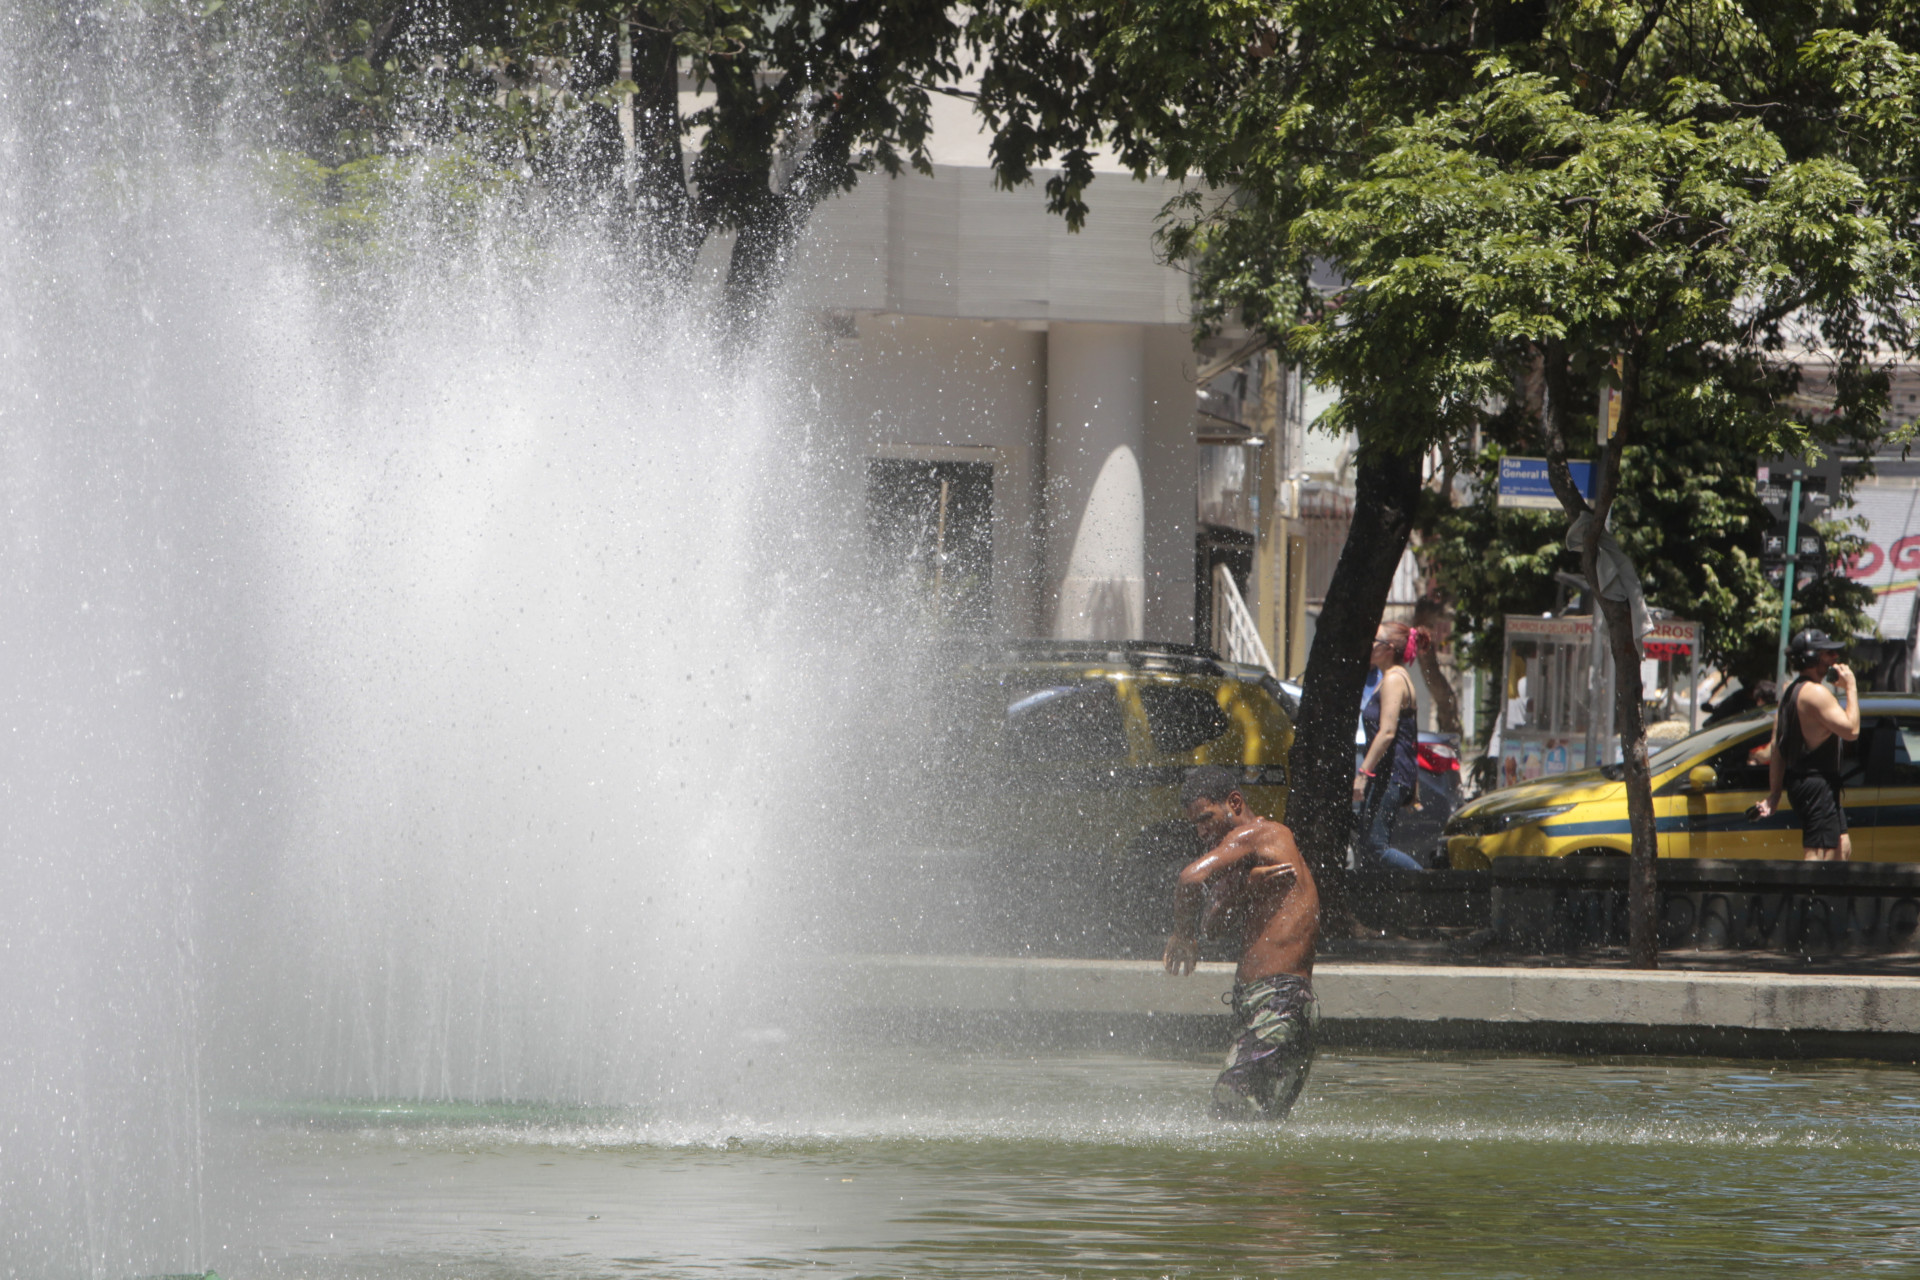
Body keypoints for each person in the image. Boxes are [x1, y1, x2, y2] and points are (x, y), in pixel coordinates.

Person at [1163, 766, 1321, 1120]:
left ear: (1234, 802)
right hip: (1274, 1006)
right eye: (1195, 825)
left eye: (1206, 818)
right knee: (1259, 1126)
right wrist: (1244, 886)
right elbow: (1213, 926)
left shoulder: (1263, 833)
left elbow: (1189, 879)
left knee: (1228, 1113)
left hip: (1278, 1003)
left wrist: (1182, 936)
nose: (1202, 831)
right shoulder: (1244, 859)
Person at [1755, 630, 1859, 861]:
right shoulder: (1815, 693)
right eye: (1829, 653)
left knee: (1841, 846)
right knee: (1819, 857)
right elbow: (1852, 731)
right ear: (1813, 657)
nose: (1835, 658)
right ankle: (1809, 887)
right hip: (1816, 785)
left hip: (1814, 784)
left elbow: (1777, 747)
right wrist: (1851, 687)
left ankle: (1825, 886)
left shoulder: (1791, 692)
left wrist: (1775, 794)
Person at [1353, 622, 1425, 870]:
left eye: (1375, 642)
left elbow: (1387, 733)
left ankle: (1427, 884)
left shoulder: (1394, 679)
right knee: (1368, 848)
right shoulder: (1392, 678)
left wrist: (1362, 773)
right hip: (1391, 774)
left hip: (1391, 775)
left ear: (1389, 648)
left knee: (1376, 846)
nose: (1369, 646)